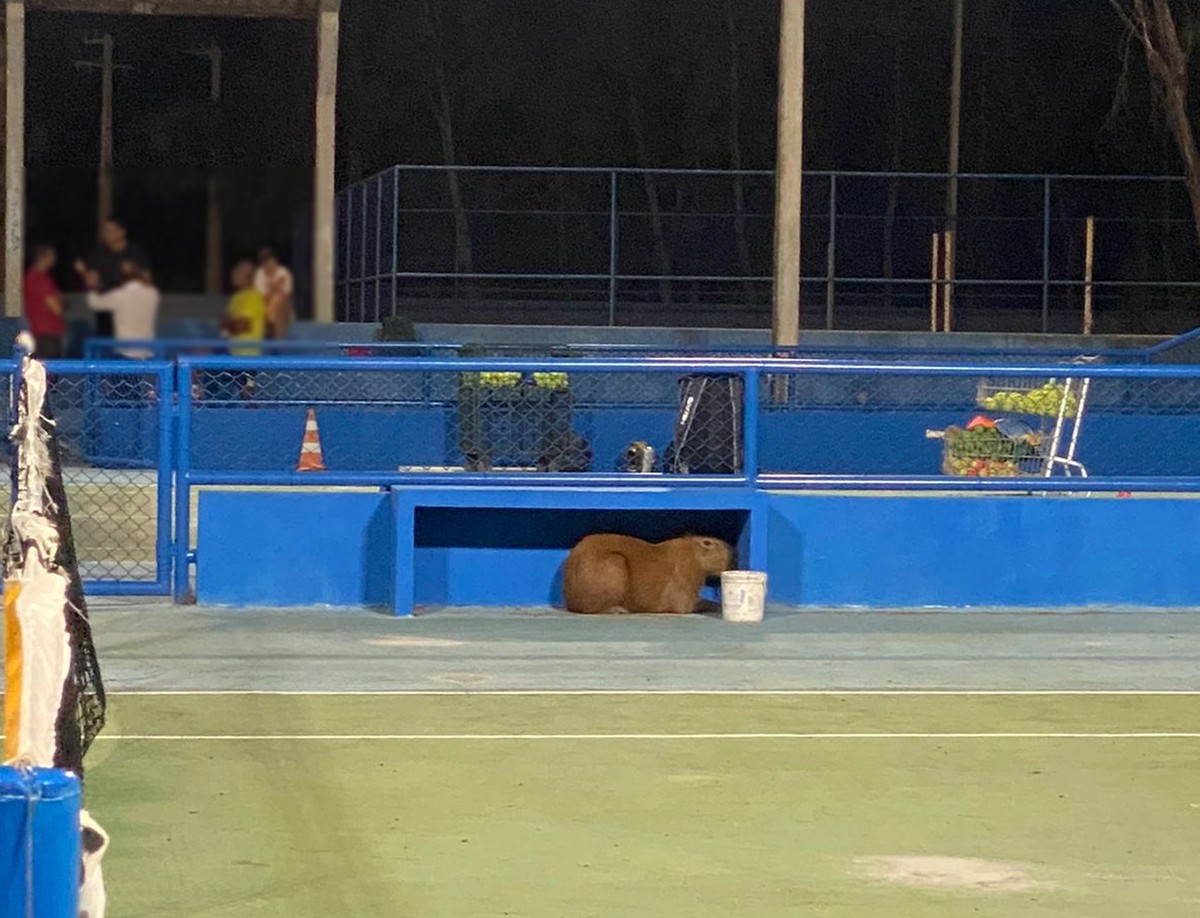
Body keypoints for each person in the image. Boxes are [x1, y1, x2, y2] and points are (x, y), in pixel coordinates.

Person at [75, 218, 151, 340]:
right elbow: (90, 279)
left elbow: (148, 281)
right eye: (104, 230)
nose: (106, 234)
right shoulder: (99, 253)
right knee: (105, 343)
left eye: (110, 230)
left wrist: (133, 271)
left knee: (132, 346)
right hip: (105, 310)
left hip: (130, 310)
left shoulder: (134, 252)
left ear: (121, 232)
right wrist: (84, 273)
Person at [84, 261, 159, 360]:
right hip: (148, 350)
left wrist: (91, 284)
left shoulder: (120, 295)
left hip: (126, 351)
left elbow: (94, 303)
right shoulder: (153, 293)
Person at [221, 260, 268, 399]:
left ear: (248, 276)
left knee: (247, 394)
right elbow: (223, 324)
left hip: (248, 357)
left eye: (237, 273)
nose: (233, 275)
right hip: (231, 354)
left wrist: (231, 324)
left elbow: (242, 325)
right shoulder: (236, 297)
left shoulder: (254, 297)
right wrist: (232, 324)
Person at [23, 245, 66, 359]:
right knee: (48, 371)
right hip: (46, 333)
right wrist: (61, 301)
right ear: (44, 257)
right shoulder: (41, 280)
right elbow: (57, 309)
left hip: (37, 331)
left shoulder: (30, 276)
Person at [254, 247, 293, 341]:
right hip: (265, 304)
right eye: (267, 263)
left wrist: (274, 288)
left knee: (277, 300)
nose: (270, 265)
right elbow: (261, 296)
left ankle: (271, 327)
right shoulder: (259, 274)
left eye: (272, 261)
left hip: (283, 306)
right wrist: (273, 288)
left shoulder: (283, 273)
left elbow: (286, 294)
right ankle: (270, 327)